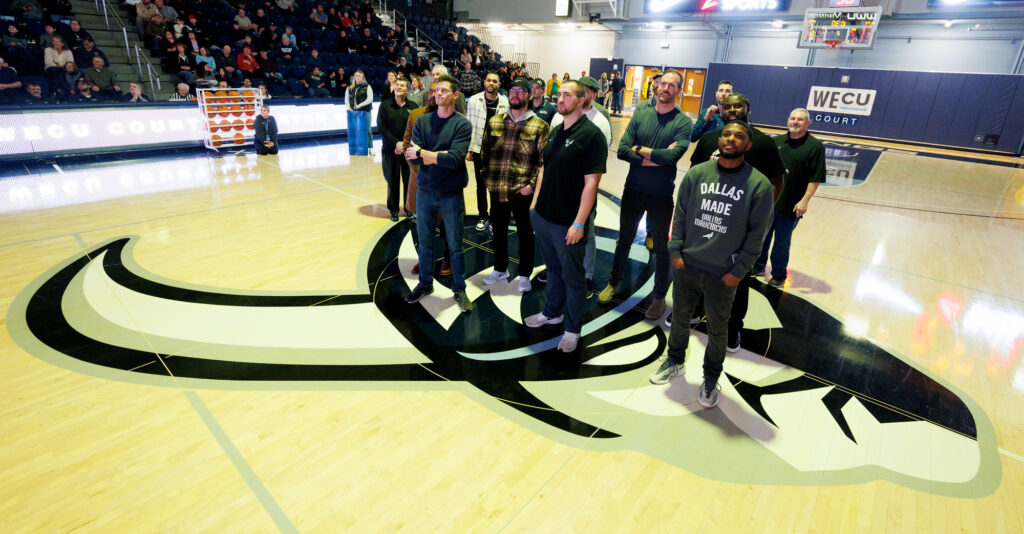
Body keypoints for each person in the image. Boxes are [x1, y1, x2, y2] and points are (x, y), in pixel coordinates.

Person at [651, 120, 774, 410]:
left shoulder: (759, 184)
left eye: (739, 136)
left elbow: (758, 234)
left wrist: (738, 271)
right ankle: (675, 360)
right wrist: (675, 251)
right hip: (687, 264)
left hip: (723, 273)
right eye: (726, 134)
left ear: (748, 144)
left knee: (718, 330)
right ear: (719, 140)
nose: (731, 139)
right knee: (680, 318)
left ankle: (710, 378)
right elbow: (679, 213)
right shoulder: (697, 173)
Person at [677, 93, 785, 354]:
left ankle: (734, 326)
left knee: (737, 280)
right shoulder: (707, 140)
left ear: (748, 109)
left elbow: (776, 181)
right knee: (697, 273)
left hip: (736, 229)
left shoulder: (760, 143)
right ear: (720, 110)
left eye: (738, 106)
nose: (733, 110)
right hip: (704, 222)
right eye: (728, 106)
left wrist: (760, 216)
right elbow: (692, 177)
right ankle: (693, 313)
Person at [598, 70, 692, 320]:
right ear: (657, 87)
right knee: (624, 239)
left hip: (661, 195)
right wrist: (652, 156)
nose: (666, 89)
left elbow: (673, 156)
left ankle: (659, 297)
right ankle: (613, 282)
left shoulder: (682, 122)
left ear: (678, 91)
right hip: (634, 189)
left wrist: (641, 152)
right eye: (663, 84)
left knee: (661, 247)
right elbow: (623, 151)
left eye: (672, 86)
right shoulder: (641, 114)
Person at [525, 80, 607, 353]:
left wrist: (579, 222)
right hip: (544, 217)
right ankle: (551, 313)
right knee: (553, 272)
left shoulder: (591, 136)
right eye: (559, 94)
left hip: (568, 223)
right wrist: (535, 206)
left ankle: (572, 329)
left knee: (573, 279)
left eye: (567, 95)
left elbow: (591, 184)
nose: (560, 99)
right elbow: (544, 169)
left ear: (582, 100)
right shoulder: (556, 129)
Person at [403, 74, 474, 313]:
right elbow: (412, 154)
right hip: (425, 191)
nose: (438, 94)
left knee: (455, 245)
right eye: (436, 91)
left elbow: (455, 160)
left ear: (455, 95)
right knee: (424, 243)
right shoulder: (422, 122)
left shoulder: (463, 124)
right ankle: (425, 283)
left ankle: (459, 289)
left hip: (451, 193)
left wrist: (425, 154)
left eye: (444, 90)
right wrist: (433, 156)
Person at [479, 78, 548, 293]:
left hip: (522, 191)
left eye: (520, 91)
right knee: (498, 230)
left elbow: (543, 162)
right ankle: (500, 269)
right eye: (512, 90)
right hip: (498, 188)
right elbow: (484, 153)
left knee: (525, 233)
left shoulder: (540, 126)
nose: (515, 94)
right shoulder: (495, 122)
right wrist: (489, 181)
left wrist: (531, 186)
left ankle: (525, 274)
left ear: (529, 95)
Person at [550, 76, 612, 297]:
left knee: (587, 232)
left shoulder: (600, 123)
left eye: (585, 91)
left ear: (592, 95)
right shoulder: (560, 117)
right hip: (560, 191)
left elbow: (597, 164)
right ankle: (559, 272)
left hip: (582, 190)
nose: (580, 94)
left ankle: (585, 275)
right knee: (559, 232)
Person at [757, 108, 825, 287]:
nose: (795, 122)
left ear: (807, 123)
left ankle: (779, 274)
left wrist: (804, 201)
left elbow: (816, 177)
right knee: (762, 237)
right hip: (769, 202)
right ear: (787, 120)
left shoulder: (815, 147)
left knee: (782, 241)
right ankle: (758, 265)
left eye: (800, 119)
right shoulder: (776, 142)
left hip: (791, 205)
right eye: (793, 118)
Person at [466, 71, 509, 232]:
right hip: (478, 150)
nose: (491, 83)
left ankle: (493, 217)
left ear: (499, 84)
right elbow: (469, 125)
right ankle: (482, 215)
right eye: (489, 80)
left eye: (495, 81)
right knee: (480, 185)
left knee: (495, 186)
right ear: (484, 82)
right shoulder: (473, 100)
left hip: (497, 153)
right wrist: (469, 149)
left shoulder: (506, 102)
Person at [377, 76, 416, 220]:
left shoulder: (412, 106)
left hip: (407, 151)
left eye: (402, 85)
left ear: (407, 90)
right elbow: (382, 127)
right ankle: (393, 210)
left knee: (408, 180)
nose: (399, 87)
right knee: (392, 180)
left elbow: (415, 128)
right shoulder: (385, 105)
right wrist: (396, 143)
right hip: (390, 150)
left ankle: (408, 208)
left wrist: (404, 145)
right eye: (397, 84)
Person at [345, 69, 373, 152]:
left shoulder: (367, 86)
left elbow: (370, 99)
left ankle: (370, 148)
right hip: (353, 112)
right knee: (355, 130)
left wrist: (359, 106)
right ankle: (357, 148)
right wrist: (348, 107)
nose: (357, 77)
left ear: (363, 77)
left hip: (365, 111)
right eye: (356, 75)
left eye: (359, 76)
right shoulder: (349, 88)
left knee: (367, 130)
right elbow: (346, 99)